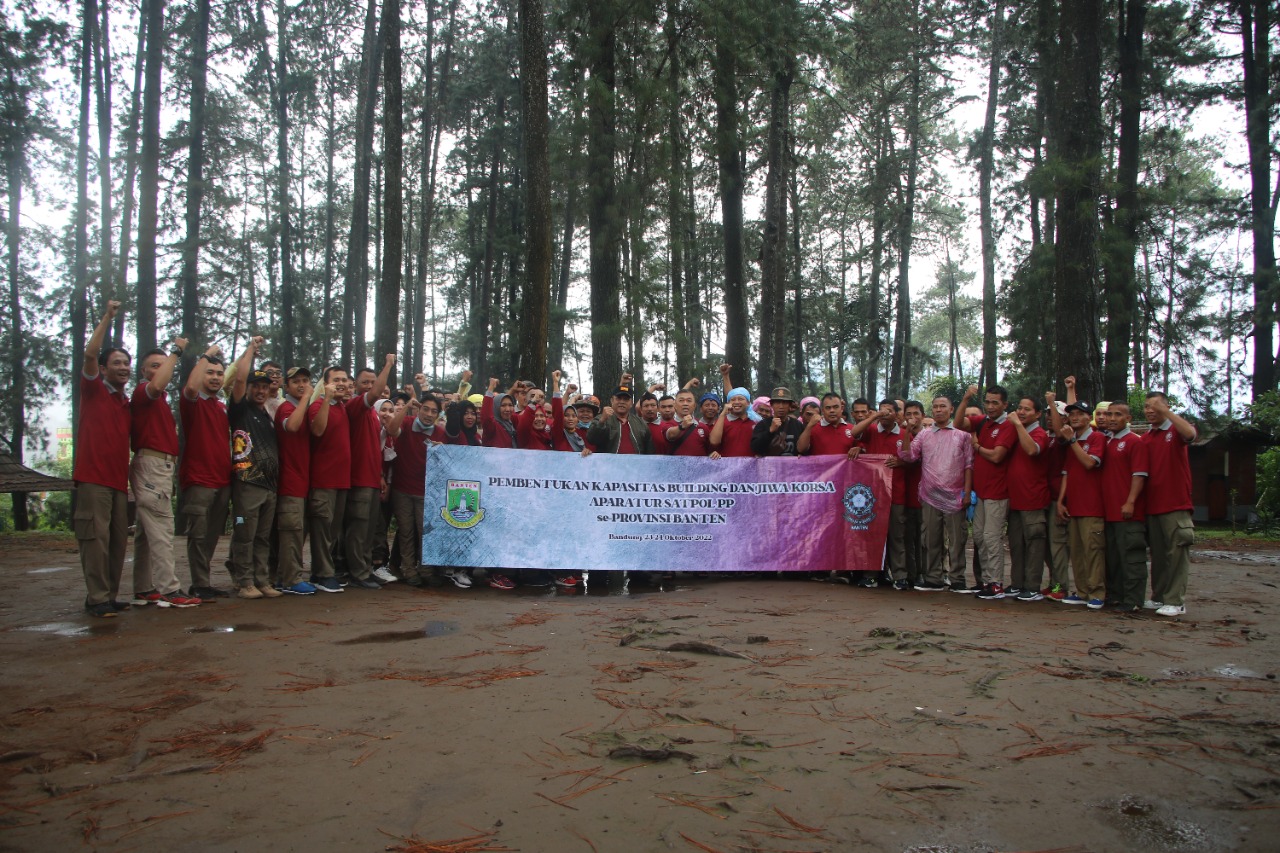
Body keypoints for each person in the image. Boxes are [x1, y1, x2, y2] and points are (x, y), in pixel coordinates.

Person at [129, 337, 202, 608]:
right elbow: (159, 383)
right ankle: (170, 590)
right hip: (152, 465)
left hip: (157, 466)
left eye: (163, 365)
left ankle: (144, 588)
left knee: (146, 532)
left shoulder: (157, 400)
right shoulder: (144, 392)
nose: (160, 370)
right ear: (144, 372)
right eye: (154, 366)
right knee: (161, 528)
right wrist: (176, 352)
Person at [75, 301, 133, 617]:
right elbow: (89, 354)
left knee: (117, 542)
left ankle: (108, 595)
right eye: (117, 362)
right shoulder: (93, 389)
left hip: (117, 482)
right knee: (94, 540)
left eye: (126, 363)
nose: (123, 367)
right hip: (92, 479)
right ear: (105, 367)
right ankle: (96, 597)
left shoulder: (125, 403)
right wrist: (107, 318)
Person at [225, 338, 283, 600]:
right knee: (243, 533)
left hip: (269, 486)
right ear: (247, 388)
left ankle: (262, 580)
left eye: (264, 386)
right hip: (246, 484)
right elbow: (237, 381)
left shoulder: (268, 415)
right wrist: (250, 350)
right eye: (255, 386)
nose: (260, 391)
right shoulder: (240, 411)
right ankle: (243, 580)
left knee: (262, 537)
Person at [897, 396, 973, 592]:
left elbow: (968, 466)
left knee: (957, 539)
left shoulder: (962, 436)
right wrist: (906, 431)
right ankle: (933, 578)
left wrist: (966, 493)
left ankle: (957, 578)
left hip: (955, 496)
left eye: (943, 407)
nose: (939, 410)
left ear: (951, 409)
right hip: (930, 495)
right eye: (936, 407)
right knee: (931, 538)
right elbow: (907, 455)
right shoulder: (924, 435)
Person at [180, 342, 233, 601]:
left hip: (223, 480)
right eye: (209, 373)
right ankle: (199, 583)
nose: (215, 378)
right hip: (199, 480)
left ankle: (204, 582)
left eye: (219, 374)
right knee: (198, 534)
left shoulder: (221, 406)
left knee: (212, 535)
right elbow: (190, 387)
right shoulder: (192, 401)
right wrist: (205, 356)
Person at [956, 384, 1019, 599]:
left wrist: (977, 447)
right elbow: (957, 423)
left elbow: (997, 456)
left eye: (995, 403)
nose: (990, 406)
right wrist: (965, 400)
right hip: (982, 493)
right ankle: (986, 581)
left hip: (998, 492)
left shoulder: (1008, 426)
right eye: (988, 402)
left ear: (1005, 404)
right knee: (981, 537)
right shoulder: (983, 421)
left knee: (992, 537)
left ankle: (996, 583)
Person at [344, 355, 397, 591]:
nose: (369, 386)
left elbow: (375, 450)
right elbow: (375, 394)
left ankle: (365, 569)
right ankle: (357, 572)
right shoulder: (355, 406)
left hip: (372, 480)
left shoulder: (375, 418)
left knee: (369, 530)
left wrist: (379, 476)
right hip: (358, 481)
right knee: (359, 529)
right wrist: (387, 365)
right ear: (356, 385)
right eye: (365, 382)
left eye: (372, 381)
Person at [1142, 392, 1196, 616]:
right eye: (1146, 406)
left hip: (1176, 505)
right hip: (1152, 506)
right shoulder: (1146, 438)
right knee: (1159, 554)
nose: (1150, 410)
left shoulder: (1175, 431)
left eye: (1156, 406)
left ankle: (1176, 600)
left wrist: (1166, 413)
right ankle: (1159, 596)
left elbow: (1191, 434)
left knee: (1176, 553)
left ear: (1166, 407)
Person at [1056, 397, 1108, 609]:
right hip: (1074, 505)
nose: (1075, 417)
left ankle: (1097, 592)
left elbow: (1089, 463)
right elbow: (1067, 473)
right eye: (1072, 414)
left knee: (1093, 550)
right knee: (1076, 550)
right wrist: (1061, 501)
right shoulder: (1072, 440)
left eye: (1079, 414)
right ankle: (1082, 590)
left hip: (1093, 506)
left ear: (1089, 417)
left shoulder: (1097, 438)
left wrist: (1073, 442)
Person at [853, 399, 909, 589]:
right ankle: (871, 575)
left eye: (888, 411)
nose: (885, 414)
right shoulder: (871, 431)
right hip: (873, 494)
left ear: (896, 414)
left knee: (897, 535)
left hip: (896, 493)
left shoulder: (903, 434)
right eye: (881, 410)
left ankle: (900, 576)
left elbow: (914, 457)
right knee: (873, 535)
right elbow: (854, 433)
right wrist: (874, 416)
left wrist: (902, 462)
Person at [1101, 402, 1148, 612]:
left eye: (1117, 415)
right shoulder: (1106, 442)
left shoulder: (1134, 442)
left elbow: (1139, 474)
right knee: (1113, 558)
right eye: (1109, 414)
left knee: (1131, 557)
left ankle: (1134, 600)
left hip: (1128, 512)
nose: (1112, 418)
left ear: (1128, 418)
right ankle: (1116, 596)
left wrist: (1130, 501)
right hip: (1108, 511)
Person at [274, 366, 317, 595]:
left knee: (298, 531)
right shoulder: (286, 407)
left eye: (305, 380)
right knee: (291, 531)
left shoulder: (303, 408)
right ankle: (291, 579)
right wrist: (308, 397)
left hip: (303, 480)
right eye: (296, 382)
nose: (302, 385)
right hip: (289, 481)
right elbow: (291, 426)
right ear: (286, 386)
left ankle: (284, 576)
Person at [307, 366, 349, 593]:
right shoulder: (317, 406)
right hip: (323, 481)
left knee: (332, 531)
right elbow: (318, 430)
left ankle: (323, 570)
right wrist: (326, 399)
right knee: (322, 529)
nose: (341, 383)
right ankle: (322, 574)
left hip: (341, 481)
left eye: (344, 379)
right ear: (325, 384)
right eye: (336, 380)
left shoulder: (342, 408)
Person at [1005, 396, 1051, 601]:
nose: (1021, 412)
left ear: (1038, 414)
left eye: (1027, 409)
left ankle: (1032, 586)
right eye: (1019, 408)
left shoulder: (1040, 434)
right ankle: (1017, 584)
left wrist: (1016, 424)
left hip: (1033, 500)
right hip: (1015, 500)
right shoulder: (1014, 433)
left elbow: (1032, 449)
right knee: (1016, 544)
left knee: (1034, 545)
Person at [586, 378, 653, 454]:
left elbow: (649, 449)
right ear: (612, 401)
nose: (622, 402)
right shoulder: (601, 419)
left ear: (631, 403)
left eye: (626, 399)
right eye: (618, 398)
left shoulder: (641, 423)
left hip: (635, 465)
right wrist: (602, 422)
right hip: (608, 464)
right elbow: (591, 439)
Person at [901, 401, 925, 585]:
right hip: (907, 495)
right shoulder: (902, 436)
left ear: (922, 416)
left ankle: (927, 574)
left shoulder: (929, 435)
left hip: (928, 497)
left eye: (915, 413)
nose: (912, 418)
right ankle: (911, 575)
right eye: (908, 414)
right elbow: (906, 457)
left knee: (927, 540)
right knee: (909, 539)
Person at [750, 387, 805, 458]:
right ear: (772, 405)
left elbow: (804, 448)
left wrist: (802, 455)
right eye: (777, 403)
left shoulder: (797, 425)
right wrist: (770, 431)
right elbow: (755, 448)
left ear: (790, 405)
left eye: (784, 403)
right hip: (770, 467)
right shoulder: (763, 424)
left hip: (792, 467)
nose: (781, 406)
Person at [665, 387, 712, 457]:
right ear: (675, 405)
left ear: (694, 405)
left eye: (689, 401)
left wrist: (713, 454)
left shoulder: (703, 427)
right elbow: (670, 435)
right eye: (681, 400)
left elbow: (709, 451)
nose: (685, 404)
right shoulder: (667, 424)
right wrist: (681, 426)